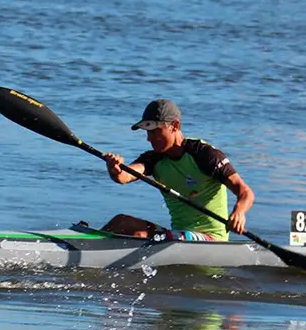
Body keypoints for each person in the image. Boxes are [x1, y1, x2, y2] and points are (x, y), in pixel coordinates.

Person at [101, 99, 254, 242]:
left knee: (141, 235)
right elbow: (124, 176)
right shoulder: (155, 159)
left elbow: (245, 193)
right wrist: (115, 169)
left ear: (175, 126)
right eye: (147, 132)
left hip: (211, 238)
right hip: (179, 235)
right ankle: (86, 244)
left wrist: (239, 212)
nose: (149, 138)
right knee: (120, 222)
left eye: (155, 131)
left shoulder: (205, 155)